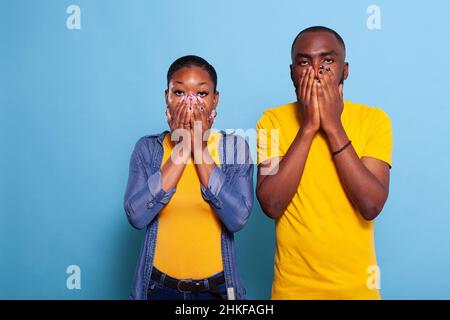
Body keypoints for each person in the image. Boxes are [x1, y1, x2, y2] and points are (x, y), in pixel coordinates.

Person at [256, 26, 392, 299]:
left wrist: (332, 126)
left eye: (328, 61)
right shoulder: (270, 122)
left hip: (357, 290)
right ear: (292, 72)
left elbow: (371, 205)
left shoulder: (374, 120)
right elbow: (271, 204)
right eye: (304, 62)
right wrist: (308, 128)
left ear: (345, 70)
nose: (315, 70)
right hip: (292, 291)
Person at [124, 55, 253, 300]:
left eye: (202, 94)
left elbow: (238, 218)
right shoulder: (148, 149)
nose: (190, 102)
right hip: (158, 289)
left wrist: (198, 146)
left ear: (215, 100)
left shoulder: (234, 148)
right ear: (167, 98)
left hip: (216, 292)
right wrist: (183, 147)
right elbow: (137, 216)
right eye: (180, 93)